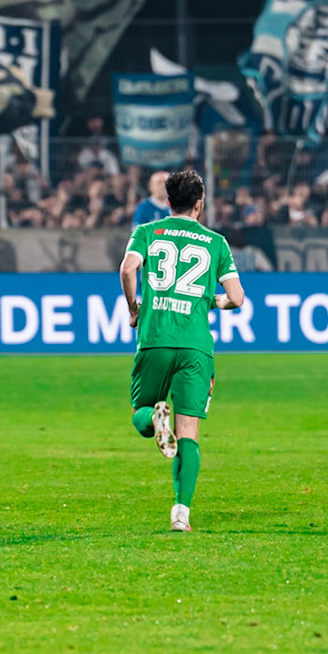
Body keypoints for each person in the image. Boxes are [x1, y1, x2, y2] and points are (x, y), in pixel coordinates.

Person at [118, 169, 244, 531]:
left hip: (155, 337)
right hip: (195, 347)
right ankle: (180, 515)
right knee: (188, 431)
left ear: (168, 201)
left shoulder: (146, 232)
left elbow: (128, 269)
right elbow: (237, 298)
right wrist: (214, 302)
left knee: (140, 411)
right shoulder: (216, 242)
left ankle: (156, 418)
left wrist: (133, 308)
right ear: (200, 204)